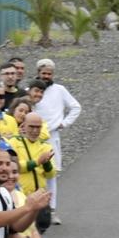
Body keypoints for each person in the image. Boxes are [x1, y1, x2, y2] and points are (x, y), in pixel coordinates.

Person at [32, 59, 81, 219]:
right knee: (32, 170)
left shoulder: (60, 90)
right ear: (38, 73)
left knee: (51, 174)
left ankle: (51, 210)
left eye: (49, 74)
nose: (46, 76)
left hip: (52, 137)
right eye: (43, 73)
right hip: (31, 138)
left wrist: (64, 123)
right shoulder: (30, 91)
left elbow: (75, 107)